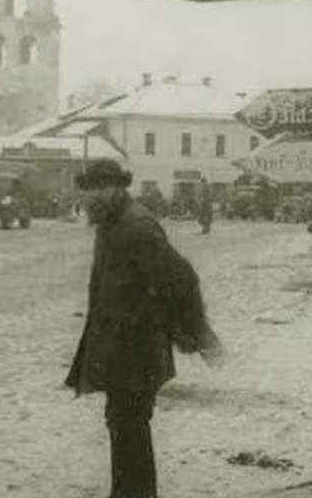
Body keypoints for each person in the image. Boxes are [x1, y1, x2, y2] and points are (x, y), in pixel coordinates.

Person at [65, 159, 224, 498]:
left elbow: (180, 278)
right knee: (123, 424)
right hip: (120, 347)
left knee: (130, 426)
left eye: (99, 187)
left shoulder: (136, 226)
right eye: (89, 188)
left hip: (136, 348)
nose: (92, 195)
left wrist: (196, 333)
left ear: (117, 187)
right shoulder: (111, 222)